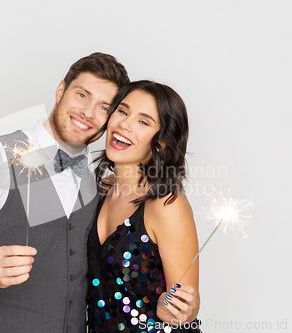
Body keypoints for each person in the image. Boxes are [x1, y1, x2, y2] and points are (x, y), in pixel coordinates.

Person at [0, 52, 130, 333]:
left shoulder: (98, 180)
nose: (88, 113)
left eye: (104, 107)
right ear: (60, 90)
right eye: (82, 95)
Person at [86, 81, 202, 332]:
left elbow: (189, 305)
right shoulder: (101, 190)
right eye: (123, 111)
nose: (124, 124)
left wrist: (175, 309)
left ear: (162, 143)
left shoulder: (166, 204)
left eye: (144, 121)